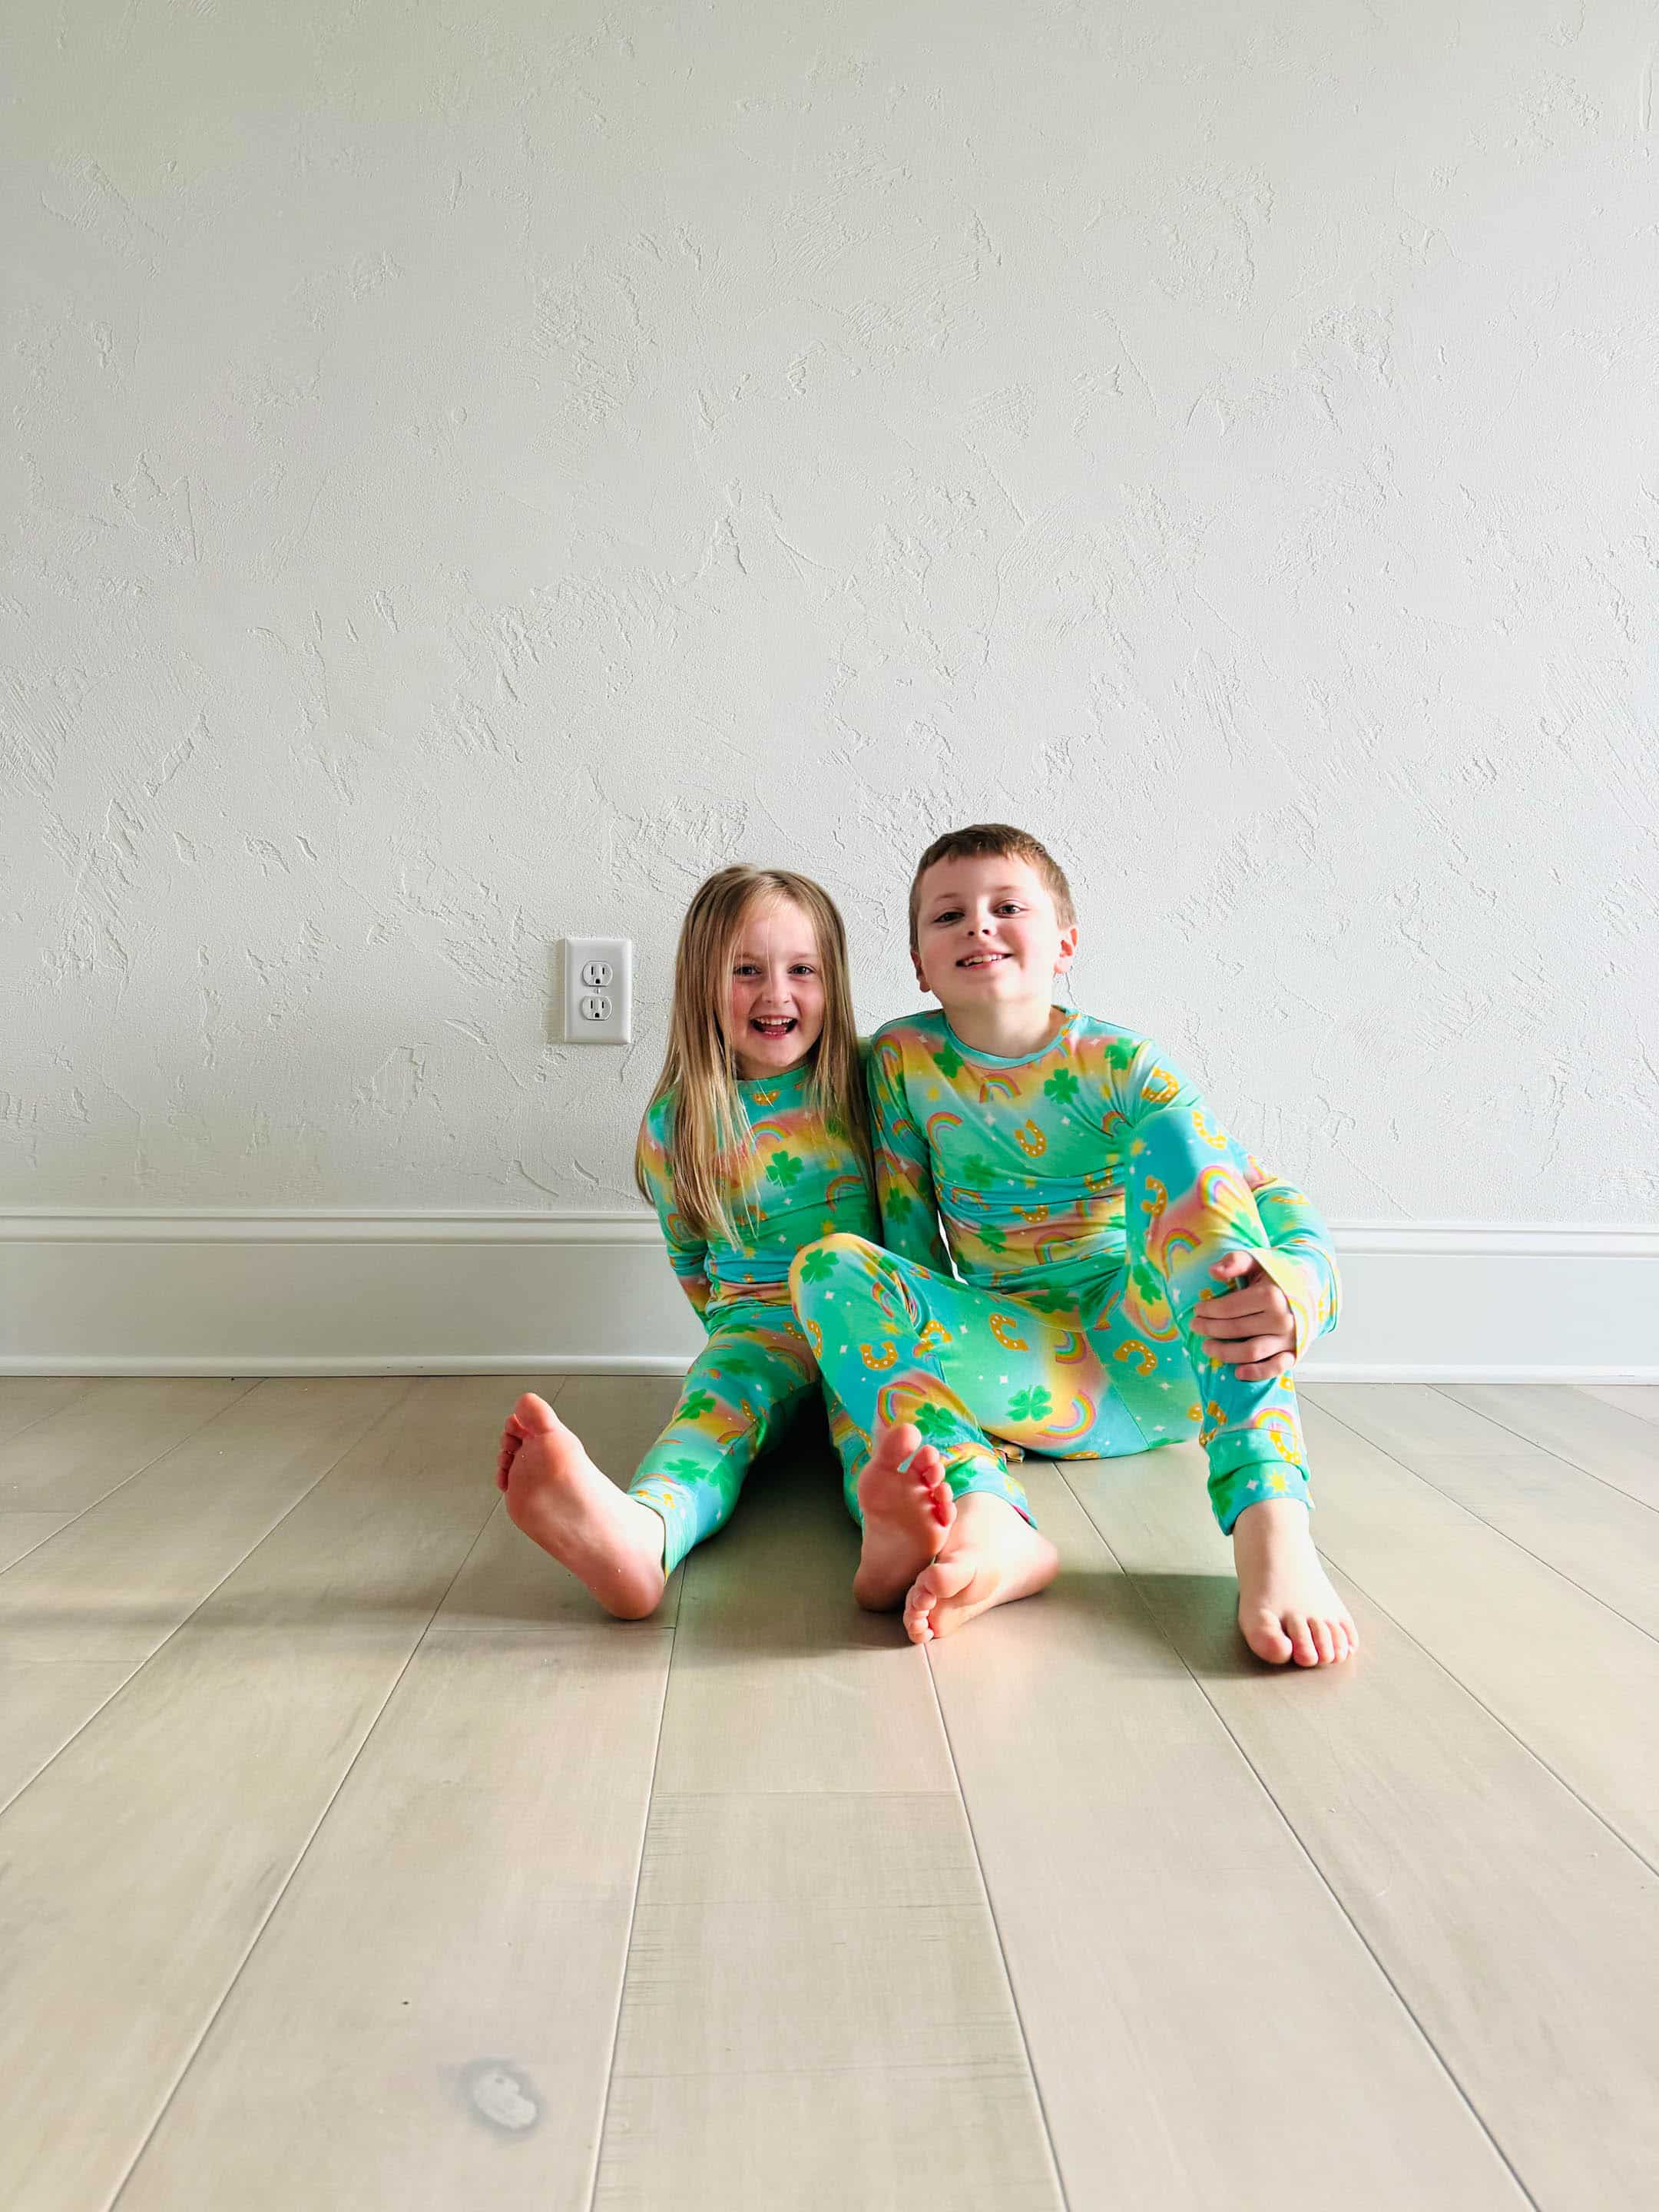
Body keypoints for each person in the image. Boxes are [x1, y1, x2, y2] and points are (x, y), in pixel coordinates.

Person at [790, 823, 1357, 1667]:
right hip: (1027, 1375)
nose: (978, 925)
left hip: (1165, 1356)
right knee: (831, 1267)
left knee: (1188, 1160)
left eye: (1007, 907)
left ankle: (1271, 1517)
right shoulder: (904, 1060)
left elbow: (1263, 1197)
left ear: (1065, 943)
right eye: (948, 916)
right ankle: (984, 1512)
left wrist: (1299, 1290)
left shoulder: (1124, 1065)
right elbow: (910, 1246)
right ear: (918, 963)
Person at [494, 865, 899, 1618]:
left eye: (802, 970)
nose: (776, 995)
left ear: (833, 982)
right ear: (701, 986)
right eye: (746, 971)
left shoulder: (873, 1082)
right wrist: (734, 1343)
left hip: (870, 1319)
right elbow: (690, 1263)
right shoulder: (678, 1124)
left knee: (887, 1432)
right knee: (707, 1423)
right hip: (756, 1326)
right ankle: (641, 1535)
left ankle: (895, 1536)